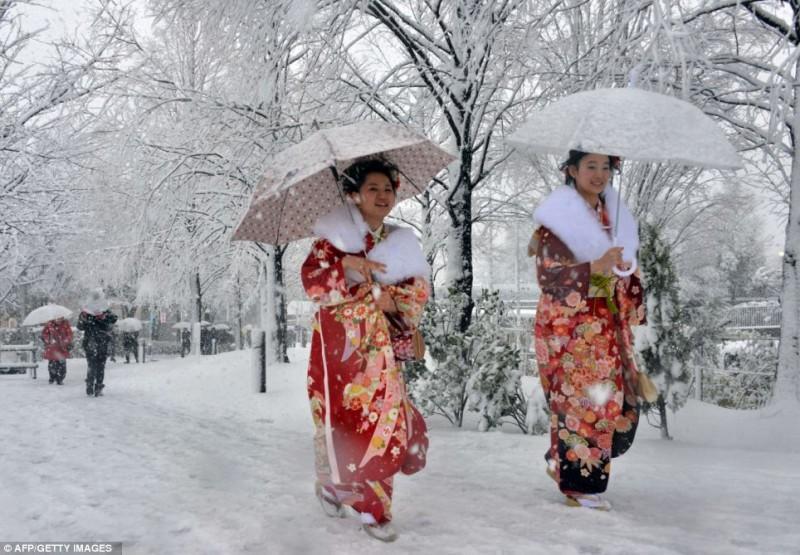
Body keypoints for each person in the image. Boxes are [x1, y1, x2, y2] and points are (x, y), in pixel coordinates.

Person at [301, 158, 430, 542]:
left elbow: (418, 291)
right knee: (338, 421)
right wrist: (348, 268)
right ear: (353, 194)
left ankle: (375, 508)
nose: (382, 196)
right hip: (338, 348)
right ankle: (331, 484)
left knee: (382, 422)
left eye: (388, 188)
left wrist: (393, 298)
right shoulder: (332, 240)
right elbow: (313, 285)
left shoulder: (400, 240)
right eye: (372, 188)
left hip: (380, 352)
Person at [530, 150, 646, 511]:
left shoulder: (615, 220)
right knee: (585, 404)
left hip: (606, 328)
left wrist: (626, 274)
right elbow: (549, 277)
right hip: (574, 331)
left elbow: (623, 279)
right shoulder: (558, 221)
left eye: (605, 167)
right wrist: (595, 267)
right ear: (571, 170)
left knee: (610, 405)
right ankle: (580, 485)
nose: (599, 174)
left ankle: (561, 459)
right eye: (590, 166)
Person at [77, 289, 118, 397]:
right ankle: (92, 386)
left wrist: (103, 317)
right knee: (95, 365)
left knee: (97, 365)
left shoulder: (104, 310)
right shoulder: (86, 312)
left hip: (101, 341)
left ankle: (96, 386)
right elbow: (80, 326)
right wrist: (84, 318)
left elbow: (114, 319)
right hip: (93, 342)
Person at [41, 317, 73, 385]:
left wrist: (65, 341)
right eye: (57, 318)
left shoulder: (65, 325)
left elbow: (69, 335)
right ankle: (52, 377)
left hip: (62, 348)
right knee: (52, 364)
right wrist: (49, 340)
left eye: (60, 318)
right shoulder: (49, 324)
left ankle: (60, 379)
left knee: (62, 365)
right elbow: (44, 334)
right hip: (52, 348)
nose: (58, 320)